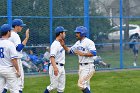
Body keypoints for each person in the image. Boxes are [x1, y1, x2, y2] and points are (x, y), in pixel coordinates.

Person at [59, 26, 96, 93]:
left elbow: (94, 53)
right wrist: (63, 45)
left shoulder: (89, 42)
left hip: (88, 66)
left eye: (78, 33)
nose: (76, 34)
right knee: (86, 86)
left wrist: (83, 53)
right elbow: (70, 51)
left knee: (81, 85)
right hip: (81, 67)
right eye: (76, 33)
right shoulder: (78, 43)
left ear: (82, 33)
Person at [2, 19, 29, 93]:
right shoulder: (15, 35)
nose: (22, 28)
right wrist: (26, 38)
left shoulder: (7, 35)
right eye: (21, 26)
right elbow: (19, 48)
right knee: (19, 84)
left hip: (7, 62)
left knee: (6, 84)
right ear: (16, 26)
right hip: (16, 60)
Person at [44, 26, 67, 93]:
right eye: (64, 32)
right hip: (55, 66)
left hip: (62, 67)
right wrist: (55, 68)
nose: (65, 34)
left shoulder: (61, 43)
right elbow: (52, 57)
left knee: (61, 88)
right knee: (53, 86)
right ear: (60, 34)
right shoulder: (55, 44)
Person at [0, 24, 20, 93]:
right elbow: (14, 60)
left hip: (0, 69)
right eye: (10, 31)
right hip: (8, 69)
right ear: (8, 32)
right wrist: (18, 70)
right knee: (15, 90)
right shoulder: (10, 43)